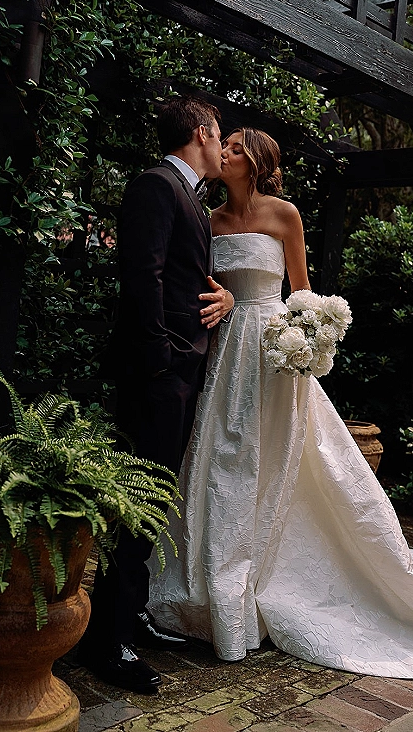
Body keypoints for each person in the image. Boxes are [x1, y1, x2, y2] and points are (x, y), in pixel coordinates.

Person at [147, 126, 413, 681]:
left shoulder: (284, 215)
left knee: (276, 461)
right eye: (227, 145)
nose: (227, 153)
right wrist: (224, 297)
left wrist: (304, 339)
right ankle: (208, 584)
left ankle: (273, 572)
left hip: (271, 353)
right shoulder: (209, 220)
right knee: (220, 460)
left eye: (238, 148)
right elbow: (201, 283)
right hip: (223, 354)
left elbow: (303, 290)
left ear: (260, 161)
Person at [78, 97, 234, 694]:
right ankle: (107, 641)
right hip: (157, 373)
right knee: (136, 498)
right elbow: (140, 277)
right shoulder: (155, 185)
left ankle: (131, 615)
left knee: (152, 495)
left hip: (177, 369)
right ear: (201, 134)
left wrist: (220, 298)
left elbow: (180, 272)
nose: (224, 150)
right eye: (220, 138)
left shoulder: (183, 192)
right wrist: (165, 356)